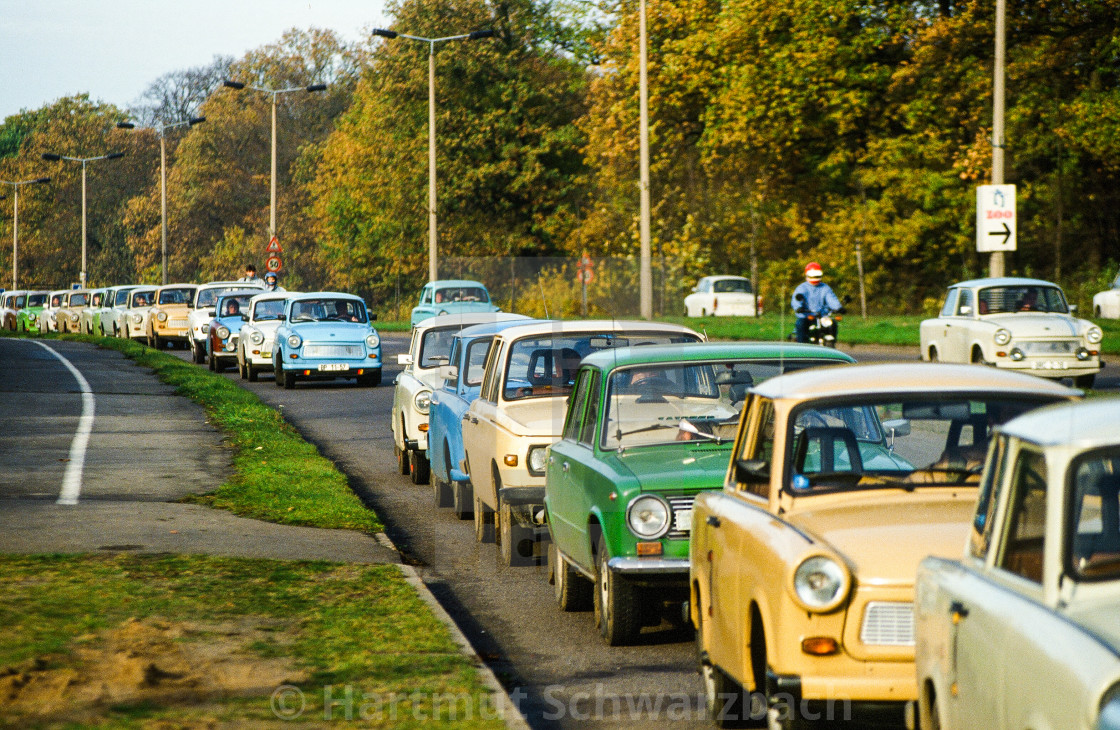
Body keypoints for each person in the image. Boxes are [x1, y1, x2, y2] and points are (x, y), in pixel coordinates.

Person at [791, 262, 843, 343]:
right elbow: (796, 300)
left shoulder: (825, 288)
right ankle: (802, 348)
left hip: (822, 316)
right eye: (812, 275)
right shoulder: (802, 288)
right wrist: (799, 308)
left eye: (817, 275)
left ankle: (831, 345)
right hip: (807, 316)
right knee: (800, 324)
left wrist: (838, 308)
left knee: (833, 324)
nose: (814, 277)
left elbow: (831, 299)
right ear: (807, 275)